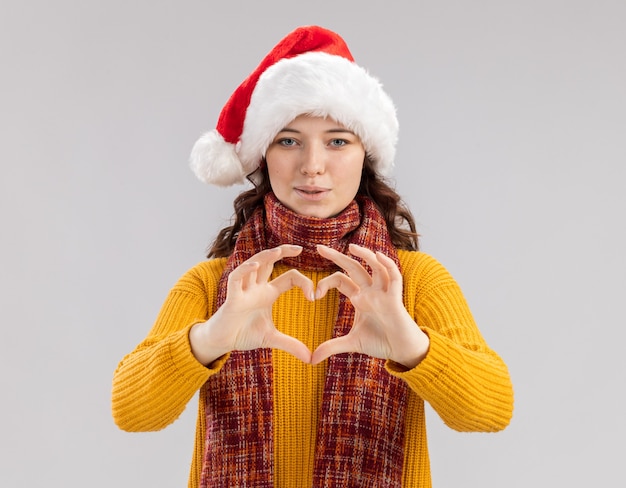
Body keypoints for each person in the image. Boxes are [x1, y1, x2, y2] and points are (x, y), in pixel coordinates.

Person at [111, 25, 514, 488]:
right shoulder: (216, 284)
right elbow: (131, 411)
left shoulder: (409, 282)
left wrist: (410, 345)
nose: (312, 165)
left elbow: (492, 410)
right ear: (263, 155)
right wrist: (211, 338)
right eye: (288, 140)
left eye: (338, 140)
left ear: (367, 154)